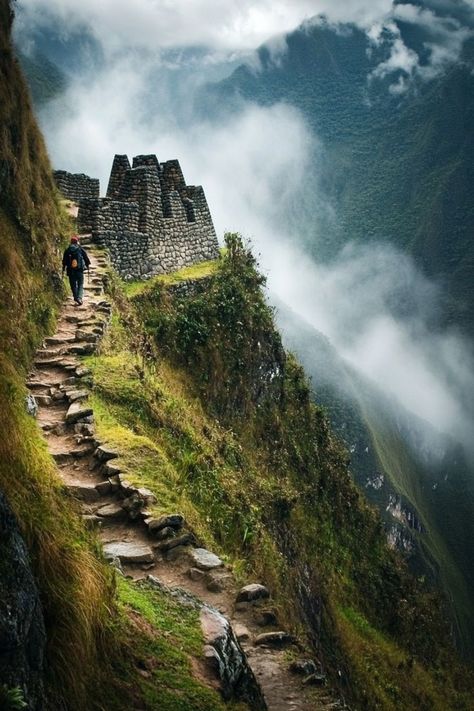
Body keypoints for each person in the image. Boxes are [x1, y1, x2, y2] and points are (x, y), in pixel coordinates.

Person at [62, 236, 90, 306]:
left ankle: (75, 297)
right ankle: (79, 298)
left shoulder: (67, 250)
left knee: (73, 285)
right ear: (77, 242)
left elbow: (64, 261)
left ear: (71, 242)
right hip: (79, 270)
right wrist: (87, 265)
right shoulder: (80, 249)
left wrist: (63, 268)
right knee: (80, 284)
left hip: (70, 271)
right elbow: (86, 258)